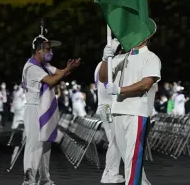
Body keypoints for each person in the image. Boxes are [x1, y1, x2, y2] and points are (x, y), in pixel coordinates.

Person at [99, 20, 160, 185]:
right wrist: (105, 59)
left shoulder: (151, 58)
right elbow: (103, 77)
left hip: (136, 112)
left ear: (146, 37)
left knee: (133, 157)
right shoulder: (121, 57)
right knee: (128, 158)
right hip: (118, 110)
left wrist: (120, 90)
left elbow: (146, 84)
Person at [21, 34, 80, 185]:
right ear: (39, 50)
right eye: (47, 49)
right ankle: (29, 178)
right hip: (34, 108)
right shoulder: (32, 68)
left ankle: (44, 178)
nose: (50, 52)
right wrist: (67, 69)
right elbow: (52, 80)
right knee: (35, 144)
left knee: (46, 144)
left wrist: (68, 69)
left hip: (44, 107)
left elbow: (59, 73)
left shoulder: (43, 66)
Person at [94, 38, 125, 184]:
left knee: (115, 141)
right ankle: (111, 174)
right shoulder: (108, 65)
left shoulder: (101, 64)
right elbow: (107, 83)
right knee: (116, 141)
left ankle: (108, 174)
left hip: (105, 106)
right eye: (121, 51)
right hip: (108, 107)